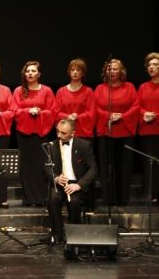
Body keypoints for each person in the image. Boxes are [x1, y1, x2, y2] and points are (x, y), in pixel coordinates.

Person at [45, 119, 97, 244]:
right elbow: (46, 168)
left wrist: (79, 185)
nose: (59, 136)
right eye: (58, 132)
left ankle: (73, 234)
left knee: (74, 202)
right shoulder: (52, 146)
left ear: (72, 133)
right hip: (61, 182)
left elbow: (93, 169)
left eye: (63, 133)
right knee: (53, 198)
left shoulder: (84, 145)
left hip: (76, 184)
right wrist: (56, 178)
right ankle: (57, 233)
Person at [94, 58, 139, 206]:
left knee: (124, 167)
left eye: (115, 69)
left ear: (121, 71)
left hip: (124, 132)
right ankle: (108, 199)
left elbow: (135, 105)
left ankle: (123, 199)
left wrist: (122, 116)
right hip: (107, 131)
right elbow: (95, 108)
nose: (112, 71)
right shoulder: (100, 89)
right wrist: (108, 115)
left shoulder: (130, 87)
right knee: (106, 167)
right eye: (109, 69)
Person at [13, 61, 57, 206]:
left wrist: (39, 112)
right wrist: (28, 111)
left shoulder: (46, 90)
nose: (30, 73)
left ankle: (41, 197)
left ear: (39, 74)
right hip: (23, 133)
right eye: (28, 71)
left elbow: (52, 111)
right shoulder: (19, 91)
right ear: (24, 74)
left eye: (33, 71)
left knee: (40, 165)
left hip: (40, 132)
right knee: (26, 166)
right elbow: (15, 110)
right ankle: (29, 198)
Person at [55, 58, 96, 141]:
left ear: (83, 73)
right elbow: (56, 113)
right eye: (72, 70)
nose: (75, 72)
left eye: (78, 70)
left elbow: (91, 114)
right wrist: (68, 116)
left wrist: (77, 117)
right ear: (69, 72)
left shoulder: (88, 91)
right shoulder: (61, 91)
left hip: (82, 134)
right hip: (65, 133)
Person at [138, 52, 159, 202]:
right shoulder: (144, 87)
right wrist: (145, 113)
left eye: (155, 65)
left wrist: (156, 115)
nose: (151, 67)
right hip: (148, 129)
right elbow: (137, 106)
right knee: (149, 163)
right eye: (149, 65)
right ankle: (150, 194)